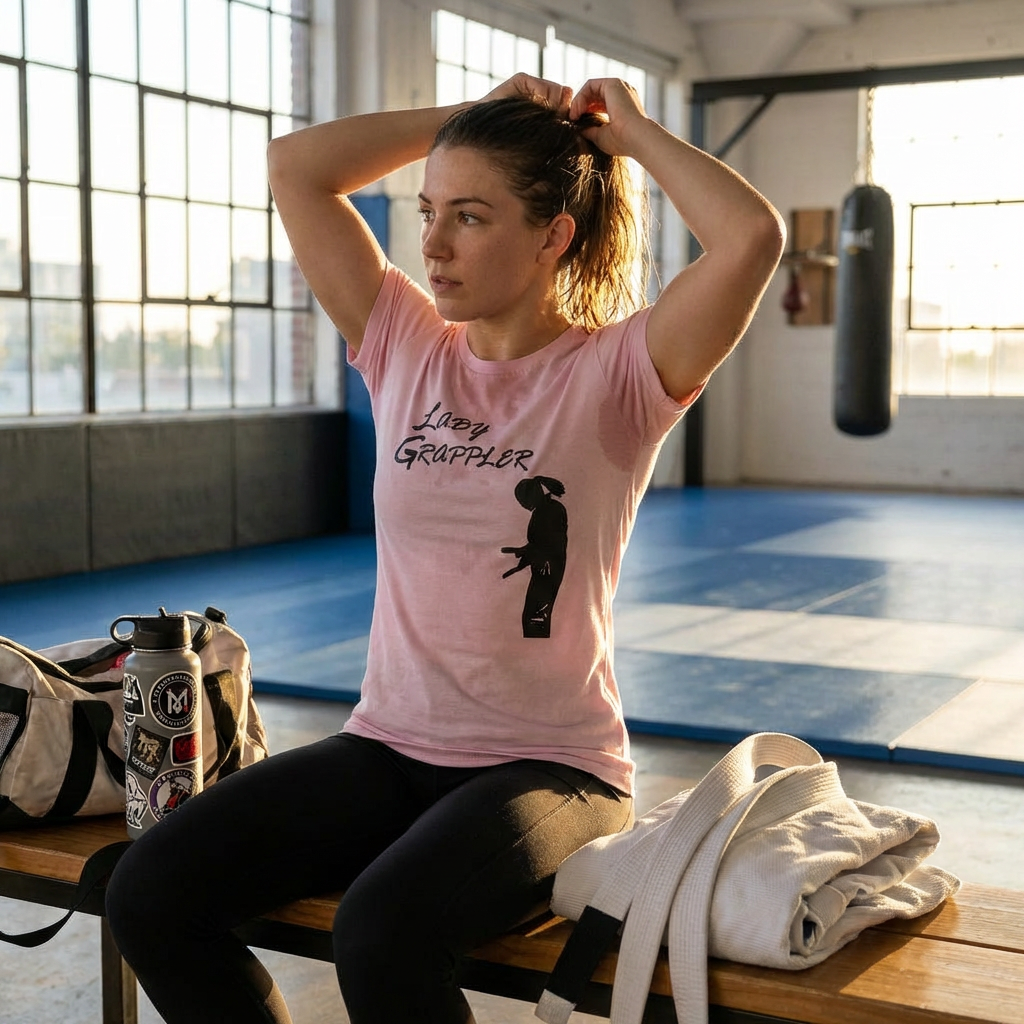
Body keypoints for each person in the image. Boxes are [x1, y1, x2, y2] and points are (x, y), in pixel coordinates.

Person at [105, 73, 784, 1024]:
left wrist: (629, 134)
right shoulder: (405, 347)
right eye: (428, 210)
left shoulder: (621, 375)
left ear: (555, 236)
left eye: (470, 216)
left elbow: (752, 238)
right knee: (149, 891)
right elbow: (296, 168)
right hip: (388, 744)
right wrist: (465, 121)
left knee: (383, 930)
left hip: (550, 768)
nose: (431, 243)